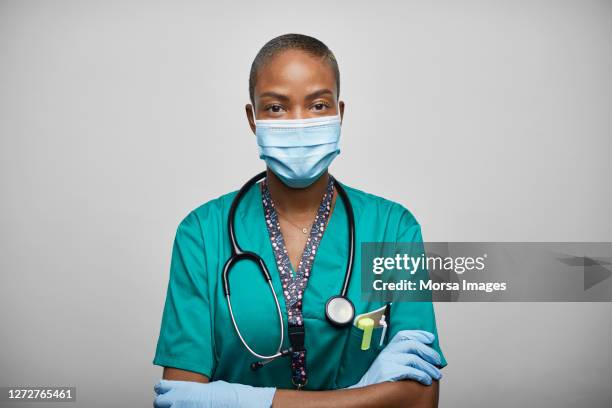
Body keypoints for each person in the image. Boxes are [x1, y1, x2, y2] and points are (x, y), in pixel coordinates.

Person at [152, 33, 447, 408]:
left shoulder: (393, 228)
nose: (299, 123)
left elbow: (421, 399)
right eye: (276, 108)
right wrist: (361, 397)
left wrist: (242, 401)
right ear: (252, 118)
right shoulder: (201, 234)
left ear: (340, 113)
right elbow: (182, 400)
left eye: (318, 105)